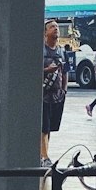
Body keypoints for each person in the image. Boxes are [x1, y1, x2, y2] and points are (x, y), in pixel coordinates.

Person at [41, 21, 68, 164]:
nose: (56, 29)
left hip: (57, 96)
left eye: (57, 26)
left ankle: (43, 154)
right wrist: (47, 71)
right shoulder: (41, 50)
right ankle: (44, 157)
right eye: (52, 27)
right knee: (44, 126)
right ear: (45, 32)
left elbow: (65, 71)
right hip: (43, 94)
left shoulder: (62, 51)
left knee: (50, 127)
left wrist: (64, 90)